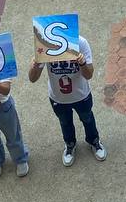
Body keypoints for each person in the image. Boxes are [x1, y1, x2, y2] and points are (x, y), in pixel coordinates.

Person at [28, 34, 106, 167]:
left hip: (81, 95)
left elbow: (89, 74)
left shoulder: (81, 43)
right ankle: (70, 145)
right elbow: (32, 78)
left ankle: (94, 141)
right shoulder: (45, 44)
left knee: (87, 118)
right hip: (58, 97)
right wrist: (34, 66)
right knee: (65, 122)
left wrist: (82, 63)